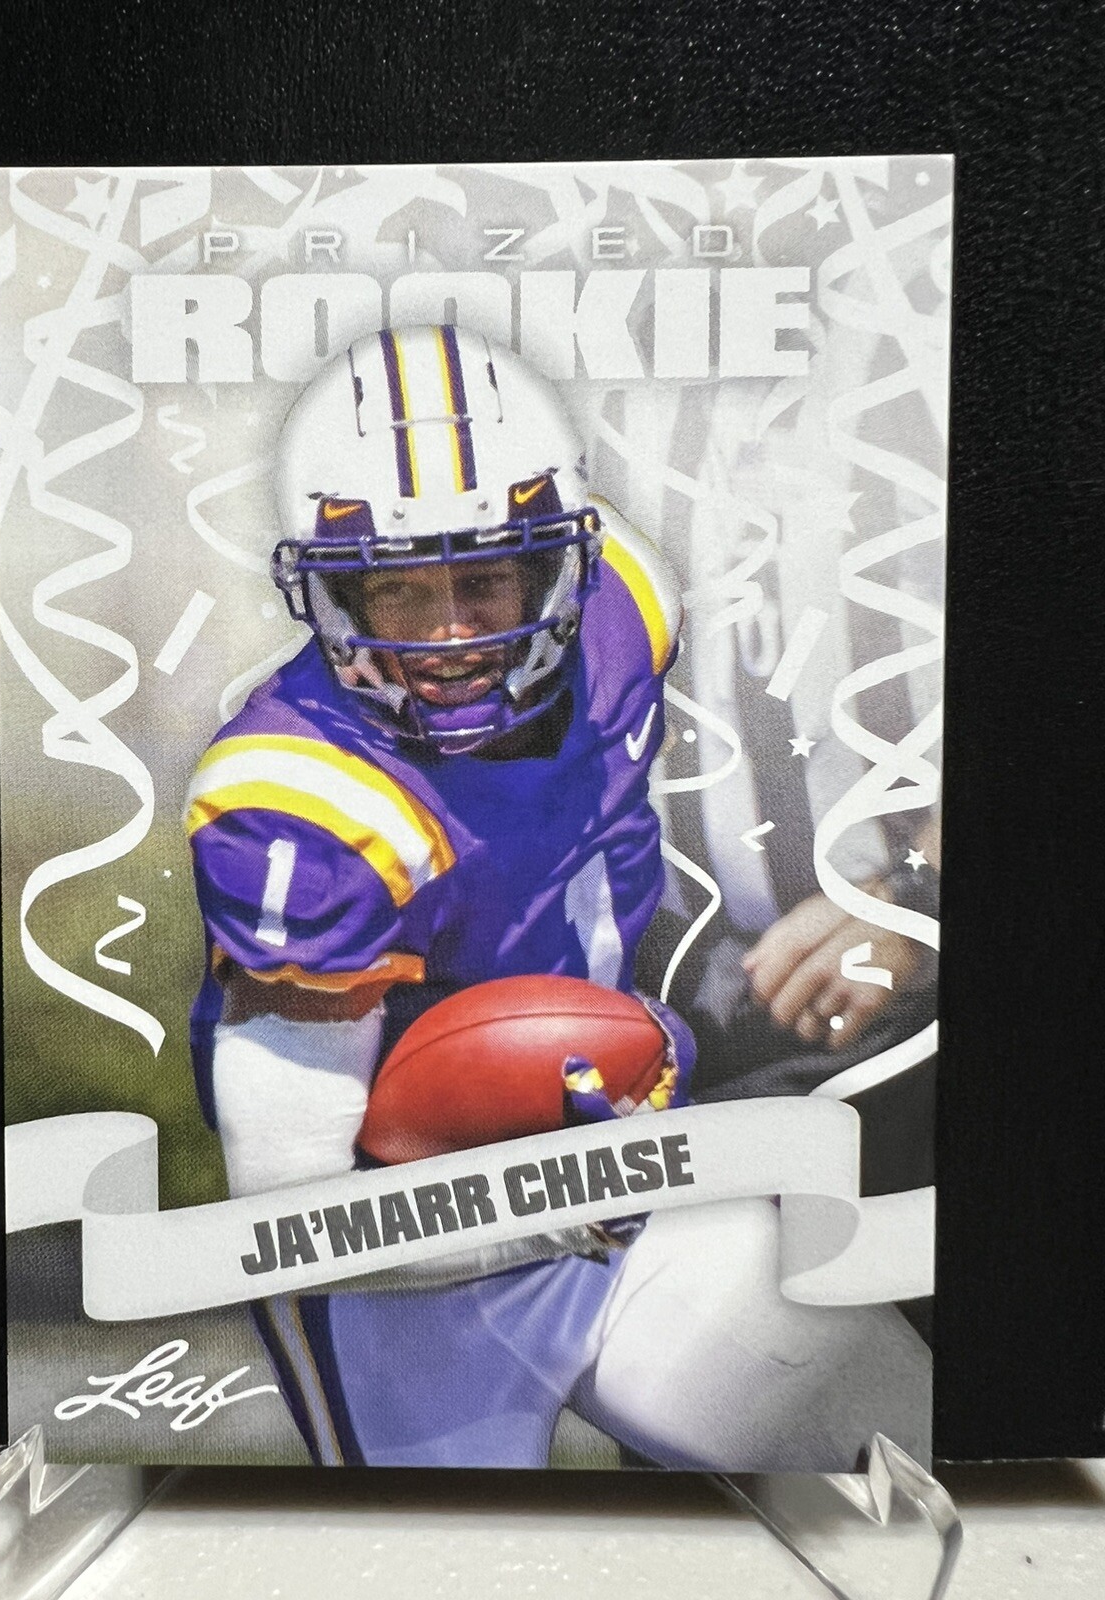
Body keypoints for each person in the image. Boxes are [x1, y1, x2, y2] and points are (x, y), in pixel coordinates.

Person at [185, 325, 928, 1470]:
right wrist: (544, 1204)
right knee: (435, 1553)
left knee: (895, 1460)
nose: (451, 636)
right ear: (330, 592)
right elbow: (295, 1214)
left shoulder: (626, 607)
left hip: (630, 1168)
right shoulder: (300, 806)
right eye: (399, 590)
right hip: (407, 1264)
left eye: (485, 580)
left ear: (557, 563)